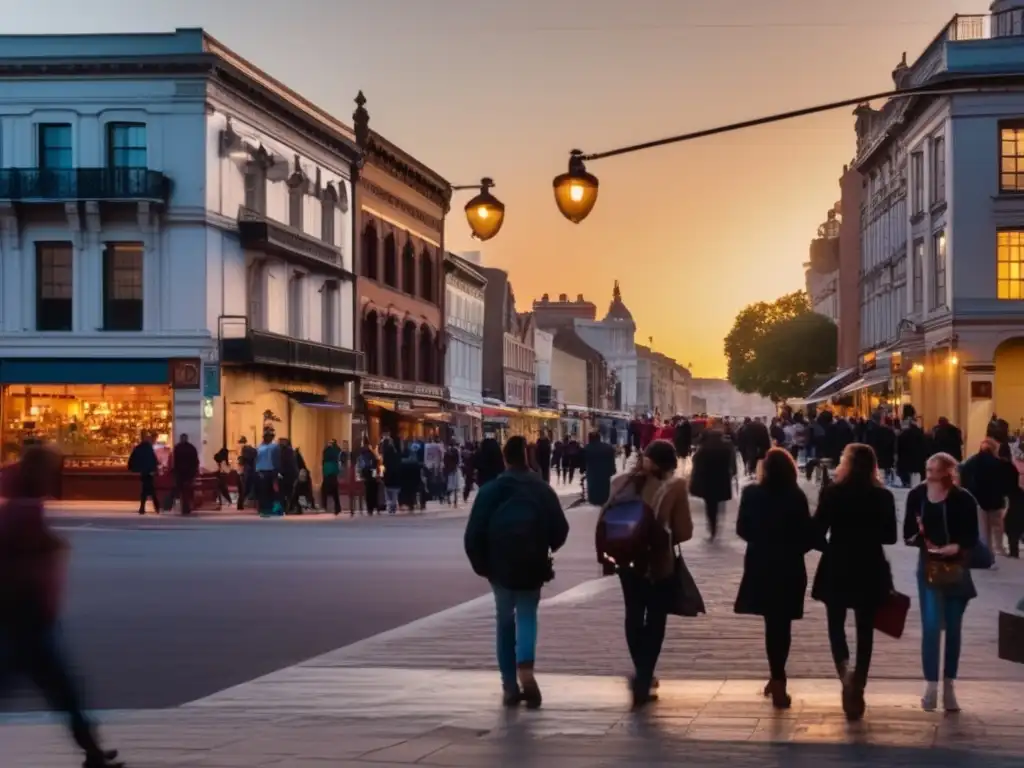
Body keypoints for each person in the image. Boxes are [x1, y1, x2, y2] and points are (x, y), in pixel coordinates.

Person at [0, 445, 123, 767]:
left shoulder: (24, 506)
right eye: (51, 471)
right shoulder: (24, 510)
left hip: (28, 615)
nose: (54, 477)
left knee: (63, 690)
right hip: (25, 616)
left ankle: (93, 751)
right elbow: (21, 554)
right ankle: (92, 751)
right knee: (63, 689)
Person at [463, 436, 570, 709]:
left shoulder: (491, 490)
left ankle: (509, 685)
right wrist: (545, 547)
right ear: (528, 457)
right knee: (527, 616)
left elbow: (473, 533)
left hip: (500, 566)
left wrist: (483, 566)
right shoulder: (542, 490)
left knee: (504, 622)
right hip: (532, 564)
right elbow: (561, 530)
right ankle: (526, 668)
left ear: (505, 458)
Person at [811, 443, 897, 721]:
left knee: (835, 623)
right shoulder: (882, 496)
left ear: (845, 464)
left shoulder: (833, 493)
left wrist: (832, 547)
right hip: (870, 563)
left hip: (838, 563)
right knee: (865, 628)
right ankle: (859, 682)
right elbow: (890, 536)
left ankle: (845, 672)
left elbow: (816, 533)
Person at [605, 439, 693, 708]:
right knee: (656, 618)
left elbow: (607, 516)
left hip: (626, 560)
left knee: (633, 612)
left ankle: (642, 672)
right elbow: (685, 531)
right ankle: (644, 675)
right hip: (658, 563)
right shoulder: (674, 486)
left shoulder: (619, 481)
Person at [734, 448, 815, 709]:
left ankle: (777, 677)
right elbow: (806, 535)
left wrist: (760, 542)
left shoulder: (752, 493)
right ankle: (778, 678)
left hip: (761, 563)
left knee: (771, 623)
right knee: (783, 624)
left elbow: (742, 528)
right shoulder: (796, 496)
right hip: (789, 565)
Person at [904, 452, 980, 712]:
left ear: (948, 473)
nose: (929, 475)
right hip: (929, 568)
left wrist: (954, 546)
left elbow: (971, 537)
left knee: (954, 628)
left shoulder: (964, 499)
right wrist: (919, 535)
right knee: (932, 626)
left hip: (957, 568)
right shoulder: (917, 495)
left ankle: (949, 685)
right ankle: (931, 686)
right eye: (927, 469)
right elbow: (906, 533)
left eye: (934, 470)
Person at [959, 438, 1013, 559]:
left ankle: (986, 550)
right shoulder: (999, 463)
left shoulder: (972, 461)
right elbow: (1006, 480)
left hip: (977, 499)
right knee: (997, 526)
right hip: (995, 499)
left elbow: (962, 472)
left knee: (983, 528)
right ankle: (998, 548)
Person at [689, 429, 736, 541]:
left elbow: (696, 463)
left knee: (710, 506)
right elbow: (732, 464)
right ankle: (716, 524)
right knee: (719, 503)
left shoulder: (704, 449)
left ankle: (712, 526)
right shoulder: (726, 448)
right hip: (722, 481)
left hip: (708, 482)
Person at [128, 431, 159, 515]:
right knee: (150, 489)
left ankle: (144, 507)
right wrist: (155, 469)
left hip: (143, 472)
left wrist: (132, 468)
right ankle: (156, 506)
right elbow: (153, 460)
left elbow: (132, 459)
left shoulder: (138, 448)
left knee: (145, 489)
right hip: (149, 472)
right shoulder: (149, 449)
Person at [584, 430, 617, 506]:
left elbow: (582, 462)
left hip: (592, 475)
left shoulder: (587, 448)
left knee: (594, 490)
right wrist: (613, 470)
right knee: (604, 489)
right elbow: (612, 462)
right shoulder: (608, 448)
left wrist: (582, 469)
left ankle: (594, 501)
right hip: (605, 475)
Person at [169, 433, 200, 516]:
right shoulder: (191, 448)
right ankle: (186, 507)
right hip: (189, 472)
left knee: (181, 490)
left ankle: (182, 506)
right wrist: (194, 470)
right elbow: (195, 460)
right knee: (187, 490)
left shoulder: (178, 448)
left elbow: (174, 460)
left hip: (180, 472)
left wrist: (174, 470)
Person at [356, 439, 379, 515]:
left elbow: (360, 466)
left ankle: (370, 508)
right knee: (371, 492)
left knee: (369, 492)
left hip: (367, 474)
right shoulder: (370, 454)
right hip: (369, 474)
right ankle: (371, 508)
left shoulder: (363, 455)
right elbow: (375, 464)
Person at [322, 439, 343, 514]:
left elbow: (324, 462)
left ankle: (324, 506)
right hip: (333, 473)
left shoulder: (326, 451)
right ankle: (337, 507)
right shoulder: (336, 450)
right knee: (335, 492)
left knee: (324, 490)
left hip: (328, 473)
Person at [381, 438, 402, 514]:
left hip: (388, 475)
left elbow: (383, 465)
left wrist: (382, 474)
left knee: (388, 491)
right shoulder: (396, 452)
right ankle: (393, 505)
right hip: (396, 475)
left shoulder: (386, 454)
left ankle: (390, 506)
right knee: (394, 492)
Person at [236, 436, 257, 510]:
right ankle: (241, 504)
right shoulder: (247, 449)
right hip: (247, 472)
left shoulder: (242, 450)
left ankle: (240, 504)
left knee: (243, 489)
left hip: (243, 472)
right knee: (245, 489)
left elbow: (240, 462)